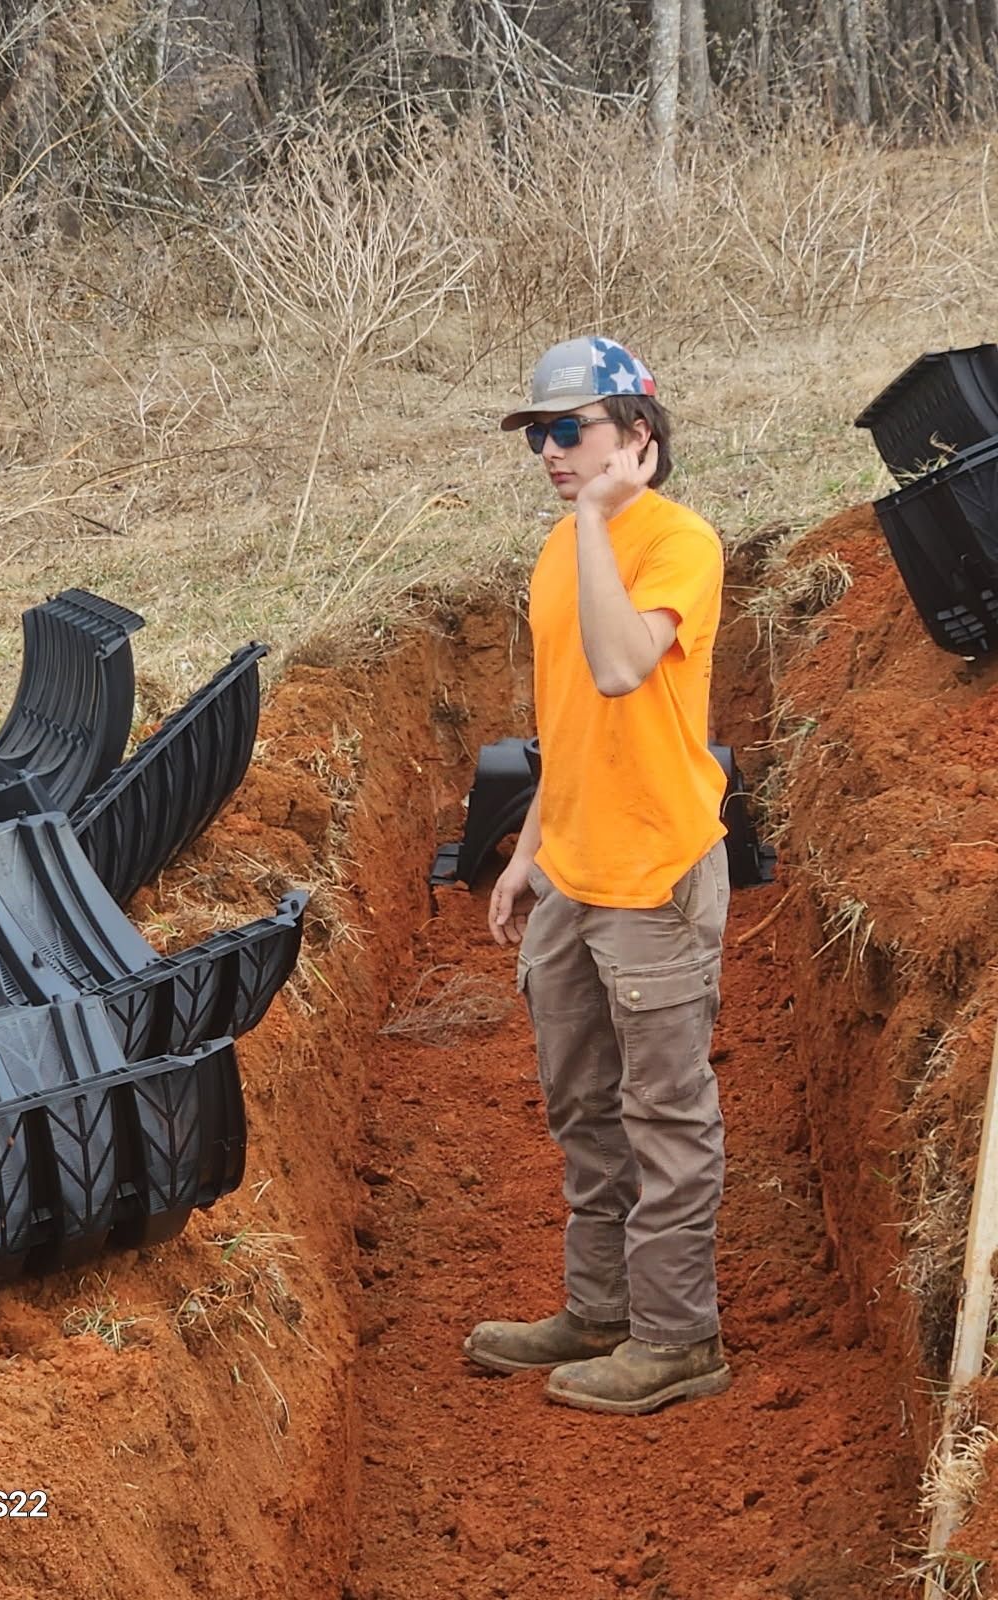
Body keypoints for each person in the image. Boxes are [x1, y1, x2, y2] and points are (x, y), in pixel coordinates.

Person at [462, 334, 731, 1415]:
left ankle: (679, 1340)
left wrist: (593, 520)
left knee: (664, 1117)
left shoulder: (679, 545)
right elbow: (566, 727)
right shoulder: (554, 557)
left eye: (570, 431)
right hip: (574, 874)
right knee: (584, 1107)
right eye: (540, 435)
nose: (551, 453)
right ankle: (602, 1307)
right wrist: (529, 853)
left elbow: (623, 671)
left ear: (641, 442)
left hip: (655, 877)